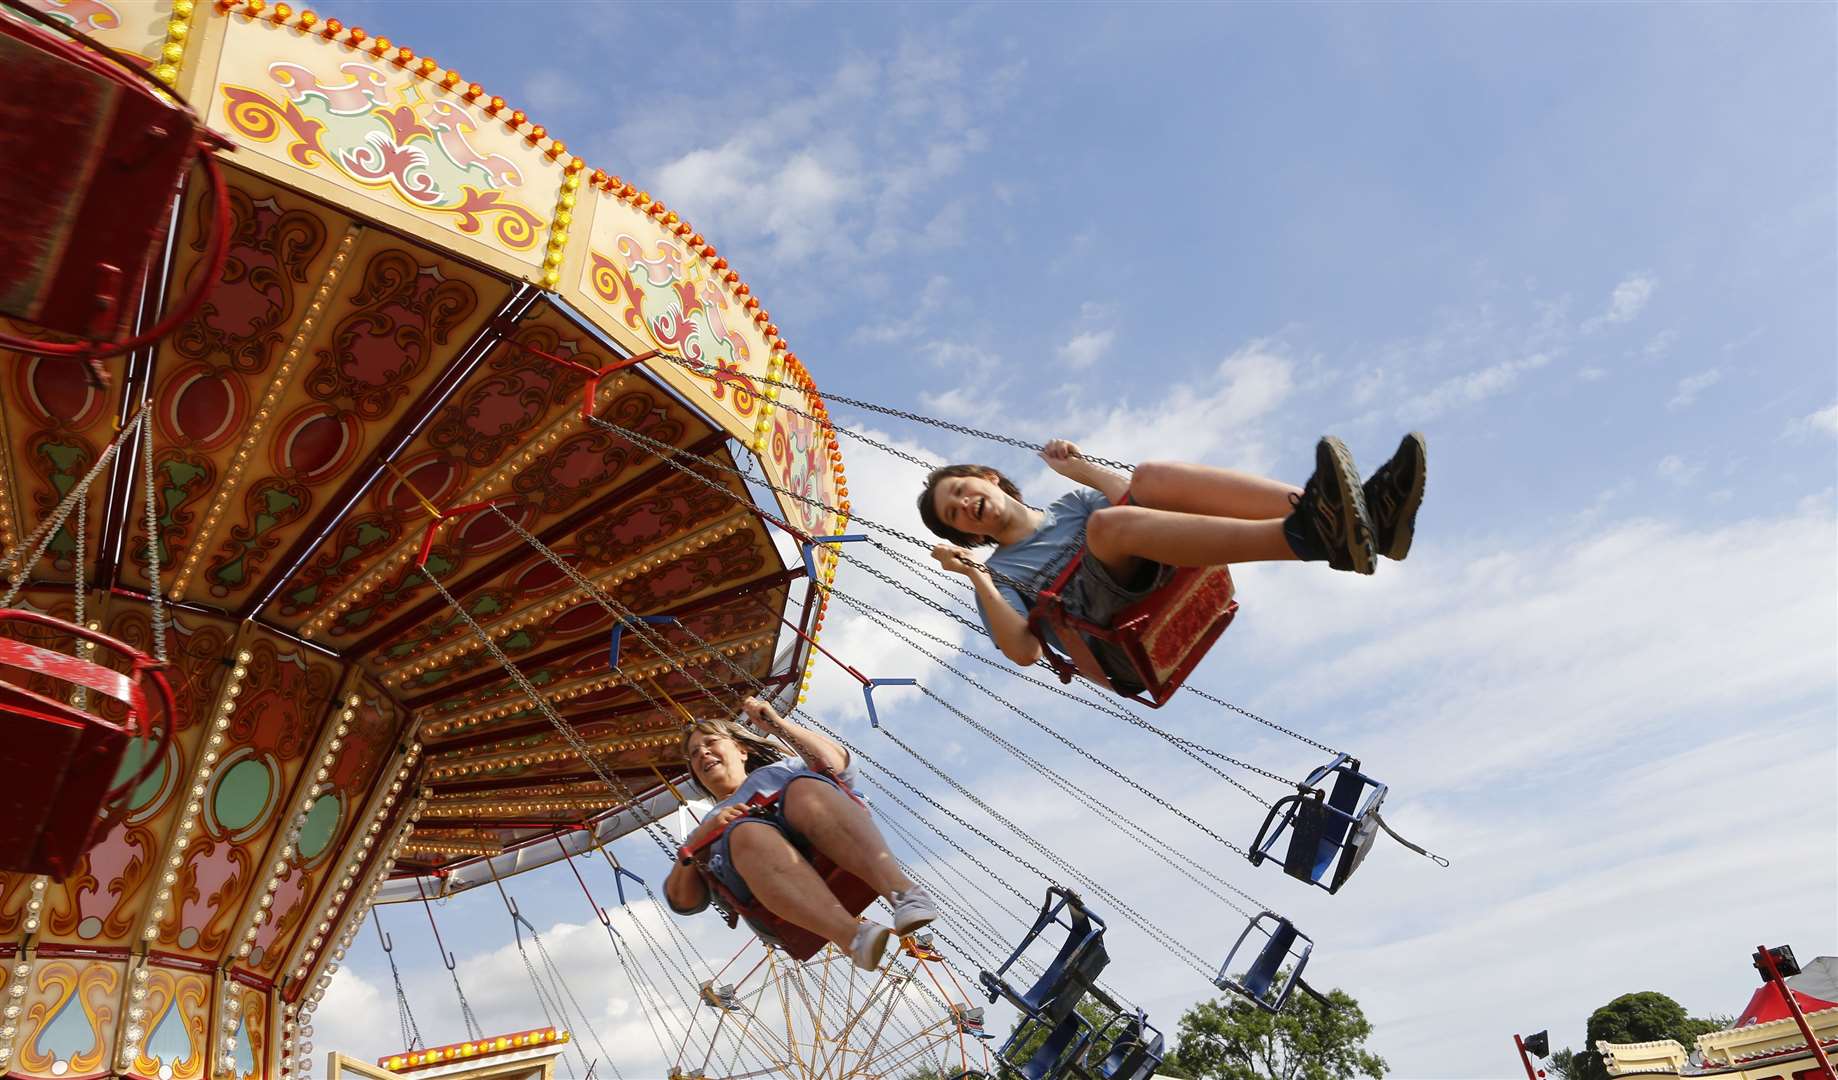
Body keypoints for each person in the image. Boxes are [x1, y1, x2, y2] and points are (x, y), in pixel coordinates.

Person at [919, 434, 1426, 691]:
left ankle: (1350, 518)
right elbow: (1025, 653)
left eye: (962, 491)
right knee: (1107, 527)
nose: (964, 505)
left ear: (988, 477)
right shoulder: (1001, 571)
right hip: (1109, 635)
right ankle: (1321, 533)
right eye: (953, 514)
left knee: (1151, 475)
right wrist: (977, 577)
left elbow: (1139, 502)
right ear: (965, 532)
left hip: (1151, 569)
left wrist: (1080, 468)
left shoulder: (1071, 504)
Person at [664, 696, 938, 970]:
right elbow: (683, 901)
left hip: (819, 833)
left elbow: (838, 767)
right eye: (695, 754)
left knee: (804, 789)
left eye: (711, 743)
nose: (703, 754)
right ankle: (851, 937)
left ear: (741, 750)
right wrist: (702, 838)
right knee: (745, 832)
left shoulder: (782, 770)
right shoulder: (708, 824)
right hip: (765, 881)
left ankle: (903, 893)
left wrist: (778, 725)